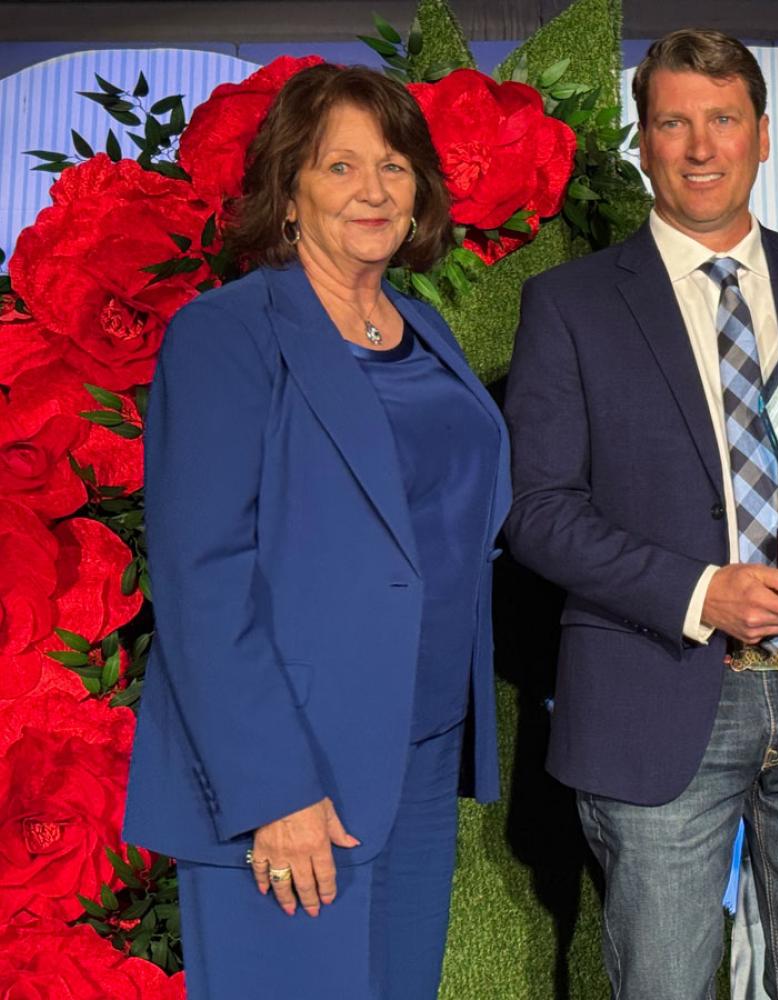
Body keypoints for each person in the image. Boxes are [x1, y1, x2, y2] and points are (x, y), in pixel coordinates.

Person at [502, 28, 778, 999]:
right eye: (673, 123)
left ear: (763, 135)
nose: (701, 147)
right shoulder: (569, 305)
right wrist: (703, 590)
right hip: (660, 696)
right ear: (644, 142)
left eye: (723, 120)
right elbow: (536, 511)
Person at [122, 64, 511, 999]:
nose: (372, 191)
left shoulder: (424, 329)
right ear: (289, 188)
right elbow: (200, 575)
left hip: (418, 754)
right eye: (340, 166)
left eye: (393, 165)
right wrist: (273, 792)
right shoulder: (226, 334)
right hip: (295, 771)